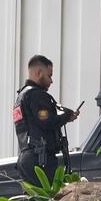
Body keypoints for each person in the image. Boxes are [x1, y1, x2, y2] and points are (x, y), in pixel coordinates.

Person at [13, 54, 79, 185]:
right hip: (41, 159)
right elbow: (46, 121)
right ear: (38, 73)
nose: (51, 81)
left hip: (26, 158)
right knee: (50, 200)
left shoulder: (21, 96)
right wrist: (66, 117)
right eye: (49, 76)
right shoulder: (37, 95)